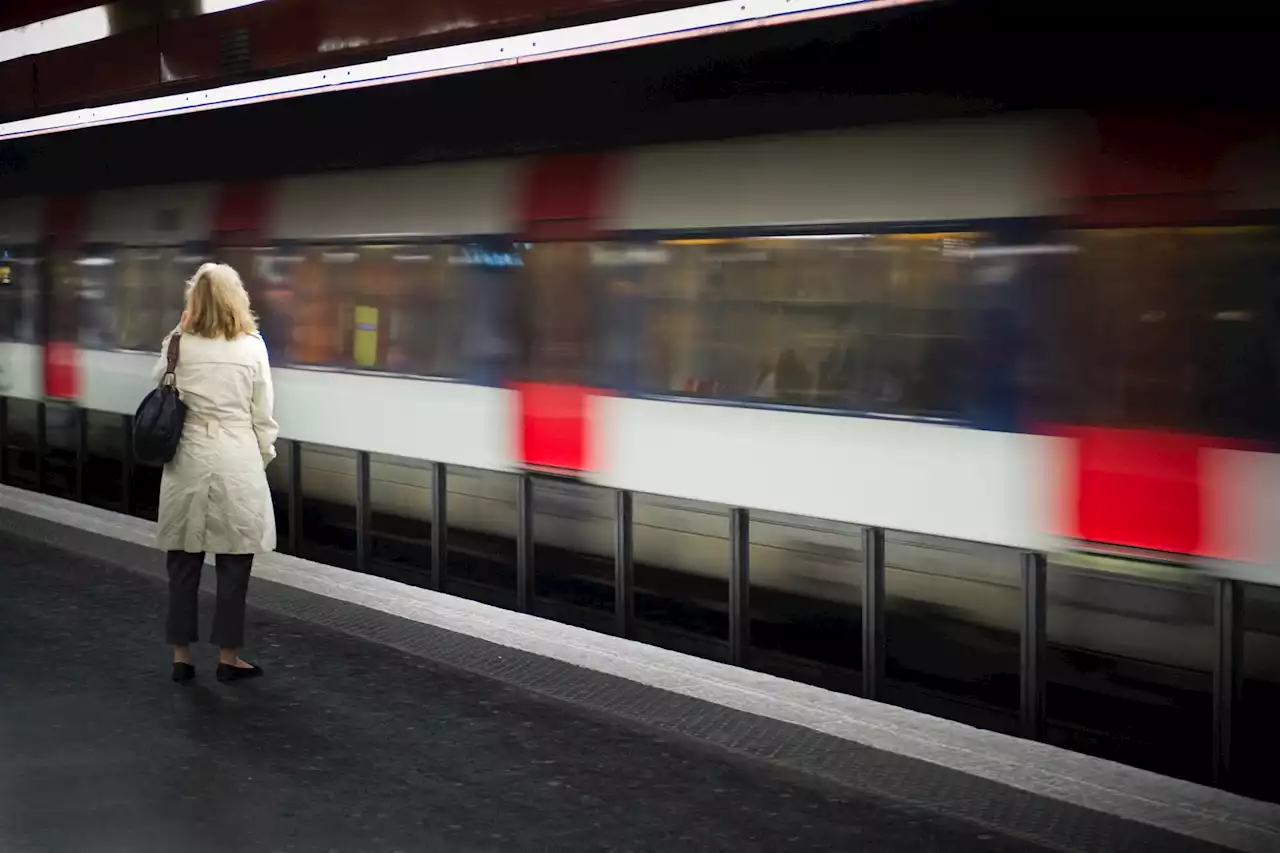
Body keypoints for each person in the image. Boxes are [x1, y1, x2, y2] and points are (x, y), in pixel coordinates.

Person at [156, 263, 279, 684]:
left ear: (193, 299)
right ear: (237, 298)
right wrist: (260, 457)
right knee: (233, 562)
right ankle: (228, 658)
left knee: (183, 563)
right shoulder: (252, 346)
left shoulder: (177, 343)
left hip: (188, 459)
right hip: (236, 458)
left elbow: (161, 393)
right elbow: (263, 415)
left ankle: (181, 657)